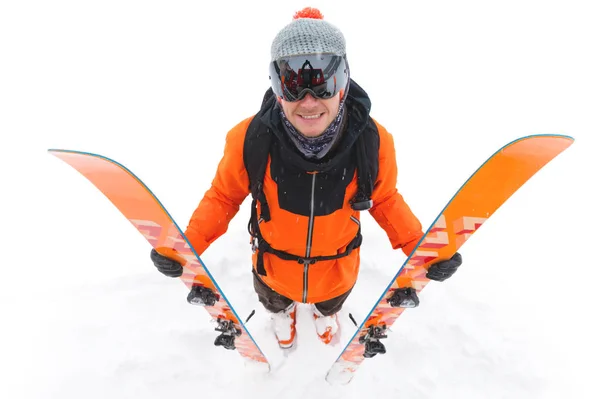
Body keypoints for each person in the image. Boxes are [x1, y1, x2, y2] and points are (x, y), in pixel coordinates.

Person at [150, 7, 463, 349]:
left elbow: (385, 199)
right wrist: (186, 247)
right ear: (277, 86)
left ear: (342, 83)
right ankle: (281, 317)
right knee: (273, 300)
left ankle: (325, 316)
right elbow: (223, 197)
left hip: (337, 271)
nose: (309, 101)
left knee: (331, 301)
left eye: (323, 83)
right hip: (273, 267)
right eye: (293, 84)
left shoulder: (371, 141)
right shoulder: (251, 139)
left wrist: (423, 252)